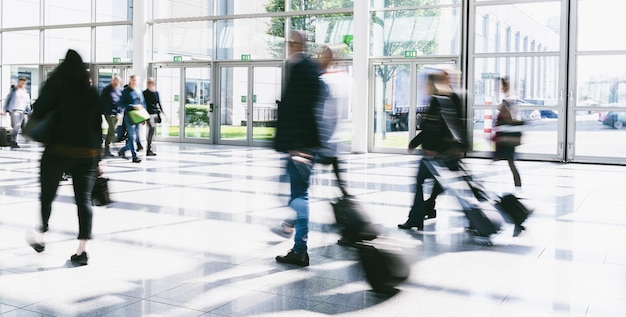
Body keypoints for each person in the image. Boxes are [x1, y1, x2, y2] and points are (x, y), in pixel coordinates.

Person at [25, 49, 102, 265]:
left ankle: (41, 238)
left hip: (58, 150)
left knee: (47, 195)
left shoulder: (55, 84)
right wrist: (99, 159)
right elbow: (98, 128)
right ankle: (82, 249)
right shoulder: (91, 92)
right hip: (87, 154)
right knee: (83, 200)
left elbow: (39, 110)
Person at [273, 30, 323, 267]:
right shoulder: (310, 69)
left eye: (289, 42)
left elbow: (296, 109)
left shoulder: (300, 69)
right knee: (294, 194)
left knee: (299, 197)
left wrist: (296, 144)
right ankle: (293, 233)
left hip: (299, 146)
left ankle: (300, 248)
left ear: (295, 44)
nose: (288, 46)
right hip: (305, 144)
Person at [398, 72, 466, 230]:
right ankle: (426, 209)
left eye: (427, 84)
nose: (424, 87)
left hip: (435, 153)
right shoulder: (441, 99)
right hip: (440, 152)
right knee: (439, 183)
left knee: (422, 181)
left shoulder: (442, 100)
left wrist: (434, 148)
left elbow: (442, 128)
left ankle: (418, 216)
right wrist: (415, 142)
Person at [315, 45, 349, 196]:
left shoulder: (330, 79)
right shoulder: (321, 77)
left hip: (327, 137)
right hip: (322, 137)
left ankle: (343, 192)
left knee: (332, 164)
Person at [493, 77, 523, 187]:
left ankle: (518, 186)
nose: (500, 89)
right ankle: (518, 186)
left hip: (506, 137)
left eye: (501, 86)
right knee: (509, 163)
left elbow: (509, 118)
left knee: (510, 163)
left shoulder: (508, 101)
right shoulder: (509, 100)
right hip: (506, 137)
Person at [117, 75, 145, 163]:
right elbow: (120, 104)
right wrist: (133, 106)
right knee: (131, 136)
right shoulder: (125, 91)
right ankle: (134, 156)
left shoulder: (139, 91)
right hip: (129, 116)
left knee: (136, 137)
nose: (134, 82)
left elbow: (143, 104)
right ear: (130, 81)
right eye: (133, 80)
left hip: (138, 116)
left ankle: (123, 150)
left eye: (136, 80)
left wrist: (144, 117)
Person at [1, 77, 31, 148]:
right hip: (14, 110)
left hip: (23, 111)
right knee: (17, 126)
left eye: (24, 83)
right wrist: (4, 110)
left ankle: (14, 139)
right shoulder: (14, 90)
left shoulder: (25, 92)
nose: (22, 84)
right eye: (21, 82)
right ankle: (13, 140)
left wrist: (29, 111)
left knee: (18, 126)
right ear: (18, 82)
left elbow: (27, 102)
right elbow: (7, 100)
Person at [100, 76, 122, 157]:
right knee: (112, 129)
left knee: (112, 130)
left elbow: (122, 101)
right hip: (108, 112)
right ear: (112, 81)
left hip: (117, 113)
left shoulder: (120, 90)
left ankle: (108, 145)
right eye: (115, 81)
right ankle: (107, 147)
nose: (116, 83)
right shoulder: (107, 89)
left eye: (118, 82)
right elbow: (102, 100)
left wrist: (120, 111)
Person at [143, 77, 163, 156]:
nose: (149, 84)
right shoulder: (144, 93)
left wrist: (162, 113)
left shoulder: (156, 93)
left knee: (152, 131)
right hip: (148, 114)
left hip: (154, 114)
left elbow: (158, 103)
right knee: (151, 130)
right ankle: (148, 149)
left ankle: (149, 148)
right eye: (148, 82)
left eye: (150, 82)